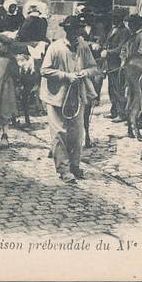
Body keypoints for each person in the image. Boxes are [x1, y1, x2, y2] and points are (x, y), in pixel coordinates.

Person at [40, 16, 99, 184]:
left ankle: (74, 165)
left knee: (77, 133)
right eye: (72, 31)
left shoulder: (83, 47)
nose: (76, 34)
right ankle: (64, 170)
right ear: (67, 31)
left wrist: (85, 73)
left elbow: (94, 67)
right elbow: (44, 70)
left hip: (77, 97)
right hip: (57, 96)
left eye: (78, 30)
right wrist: (65, 76)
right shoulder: (55, 48)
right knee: (59, 134)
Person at [100, 8, 131, 120]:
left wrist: (107, 52)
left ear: (120, 19)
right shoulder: (112, 30)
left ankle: (122, 113)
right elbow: (107, 43)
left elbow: (120, 48)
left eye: (115, 17)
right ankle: (114, 111)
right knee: (111, 89)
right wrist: (103, 48)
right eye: (113, 17)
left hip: (118, 64)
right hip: (110, 64)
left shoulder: (125, 31)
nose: (113, 19)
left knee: (119, 89)